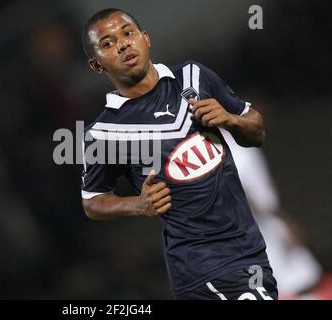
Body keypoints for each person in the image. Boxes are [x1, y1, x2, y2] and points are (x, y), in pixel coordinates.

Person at [80, 8, 277, 300]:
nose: (122, 44)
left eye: (127, 32)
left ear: (145, 38)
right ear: (97, 65)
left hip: (249, 250)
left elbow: (256, 133)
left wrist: (230, 120)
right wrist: (139, 204)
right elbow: (92, 202)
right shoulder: (105, 133)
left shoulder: (194, 77)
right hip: (202, 266)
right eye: (108, 43)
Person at [222, 129, 332, 300]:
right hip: (258, 228)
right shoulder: (239, 149)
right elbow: (254, 196)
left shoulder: (220, 146)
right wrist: (283, 220)